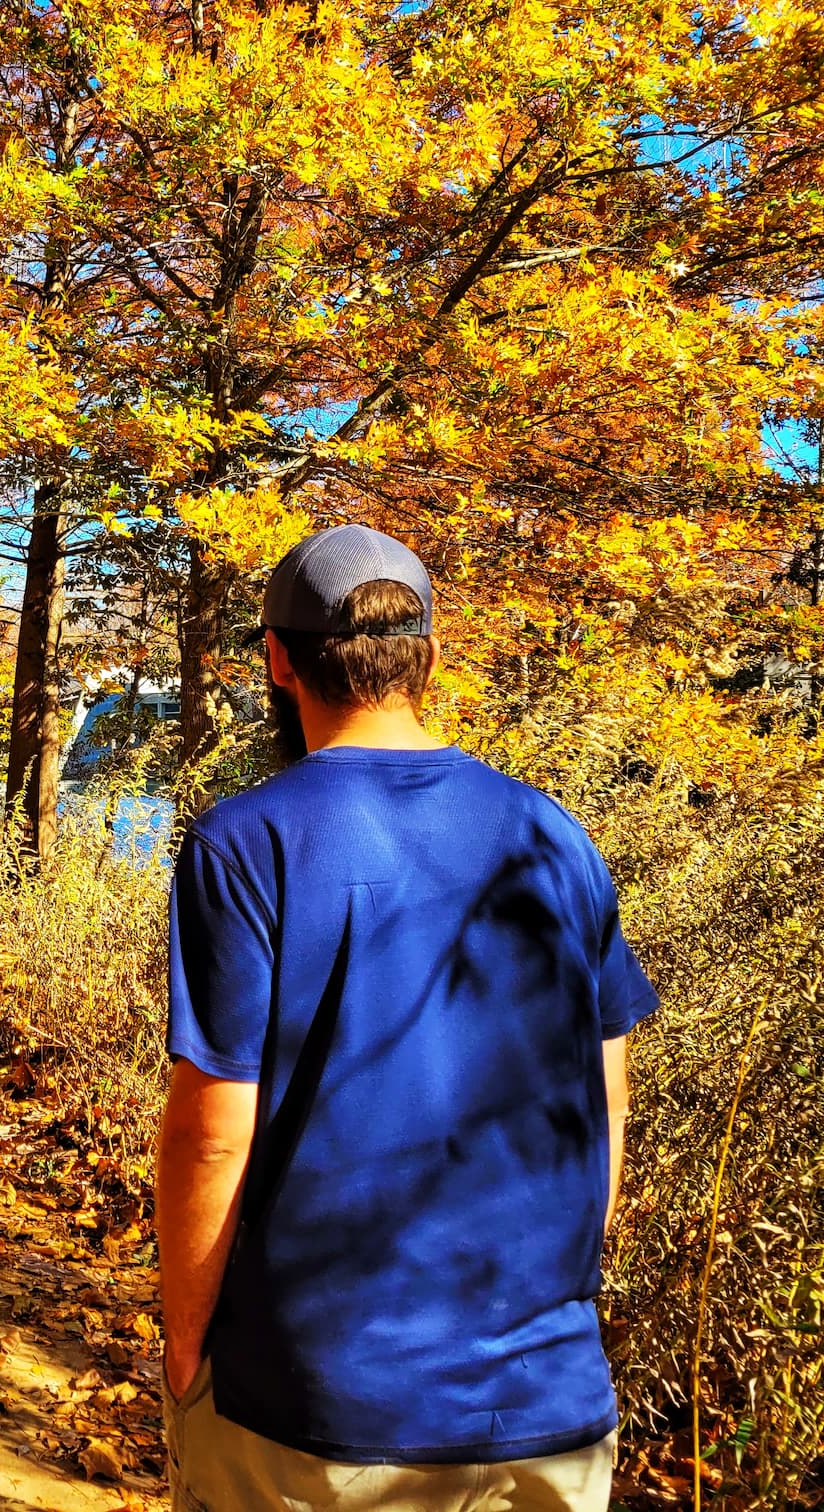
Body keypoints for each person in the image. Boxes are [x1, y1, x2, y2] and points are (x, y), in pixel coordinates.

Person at [155, 525, 657, 1511]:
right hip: (545, 1408)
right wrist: (545, 1305)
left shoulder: (246, 845)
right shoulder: (555, 838)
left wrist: (184, 1348)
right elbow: (602, 1109)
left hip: (319, 1418)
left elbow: (212, 1136)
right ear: (430, 656)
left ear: (277, 660)